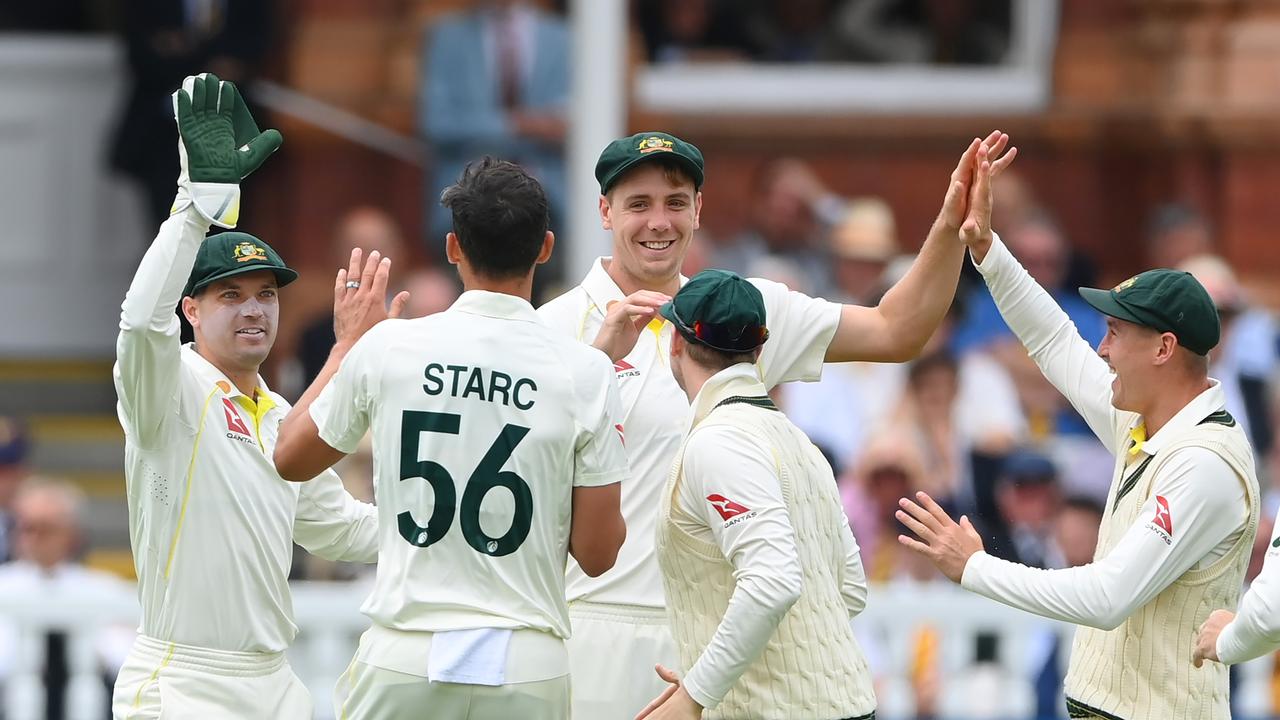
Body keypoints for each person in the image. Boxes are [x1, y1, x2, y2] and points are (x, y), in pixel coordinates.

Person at [537, 128, 1016, 719]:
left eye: (676, 203)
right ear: (605, 210)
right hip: (593, 631)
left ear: (699, 209)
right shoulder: (551, 329)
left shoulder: (740, 313)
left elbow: (897, 330)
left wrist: (947, 227)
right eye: (638, 204)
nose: (659, 222)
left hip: (723, 655)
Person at [898, 152, 1260, 720]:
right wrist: (988, 250)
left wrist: (975, 566)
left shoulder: (1205, 463)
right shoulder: (1146, 423)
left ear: (1164, 349)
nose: (1102, 348)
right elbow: (1055, 343)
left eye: (1115, 332)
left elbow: (1106, 598)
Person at [272, 157, 627, 720]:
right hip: (526, 659)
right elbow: (599, 553)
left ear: (454, 247)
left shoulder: (389, 346)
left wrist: (344, 349)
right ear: (545, 247)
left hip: (406, 652)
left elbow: (289, 458)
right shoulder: (585, 371)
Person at [111, 73, 380, 720]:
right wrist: (193, 208)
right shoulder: (168, 388)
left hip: (274, 685)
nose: (253, 309)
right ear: (192, 310)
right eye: (230, 295)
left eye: (266, 294)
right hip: (181, 684)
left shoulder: (280, 417)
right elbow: (140, 323)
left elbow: (340, 529)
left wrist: (451, 526)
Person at [635, 270, 875, 720]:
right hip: (847, 704)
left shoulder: (719, 441)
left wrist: (697, 694)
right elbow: (849, 589)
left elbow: (774, 580)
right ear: (759, 351)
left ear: (675, 343)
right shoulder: (799, 441)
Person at [0, 478, 136, 720]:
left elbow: (126, 661)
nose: (35, 537)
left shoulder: (106, 591)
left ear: (73, 534)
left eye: (47, 527)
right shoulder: (5, 586)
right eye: (27, 527)